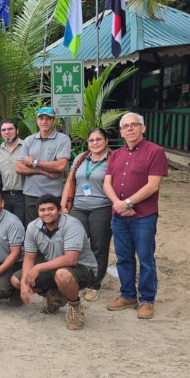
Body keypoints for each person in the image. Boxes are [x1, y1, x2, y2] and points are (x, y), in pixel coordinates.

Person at [103, 112, 168, 319]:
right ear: (121, 132)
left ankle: (147, 300)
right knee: (123, 257)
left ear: (143, 128)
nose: (129, 129)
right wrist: (118, 204)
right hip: (119, 215)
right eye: (125, 126)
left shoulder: (155, 152)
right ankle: (128, 294)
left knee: (146, 258)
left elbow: (153, 185)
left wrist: (129, 203)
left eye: (134, 125)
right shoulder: (116, 155)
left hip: (144, 217)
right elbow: (107, 183)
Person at [11, 194, 98, 330]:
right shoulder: (33, 227)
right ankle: (56, 295)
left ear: (59, 210)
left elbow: (71, 259)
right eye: (42, 210)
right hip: (53, 266)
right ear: (38, 212)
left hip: (82, 268)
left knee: (62, 275)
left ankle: (75, 307)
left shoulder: (72, 224)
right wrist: (23, 284)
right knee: (16, 280)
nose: (46, 213)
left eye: (50, 209)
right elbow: (29, 258)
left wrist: (39, 268)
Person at [60, 128, 113, 302]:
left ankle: (95, 284)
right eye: (91, 140)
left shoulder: (113, 159)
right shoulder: (81, 158)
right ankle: (76, 276)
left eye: (99, 139)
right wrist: (63, 204)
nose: (95, 143)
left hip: (102, 207)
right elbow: (70, 180)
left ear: (106, 141)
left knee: (98, 246)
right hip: (79, 207)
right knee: (74, 244)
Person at [16, 107, 71, 225]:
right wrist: (43, 172)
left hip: (53, 194)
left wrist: (34, 162)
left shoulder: (63, 139)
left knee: (54, 228)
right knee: (32, 228)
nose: (44, 122)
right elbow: (19, 167)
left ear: (54, 120)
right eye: (41, 118)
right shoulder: (29, 140)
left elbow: (60, 166)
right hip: (31, 194)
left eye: (48, 118)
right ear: (37, 121)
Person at [0, 118, 26, 225]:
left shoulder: (26, 146)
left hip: (22, 196)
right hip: (4, 196)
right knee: (6, 227)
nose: (7, 132)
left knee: (21, 226)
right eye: (3, 130)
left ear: (17, 131)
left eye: (10, 129)